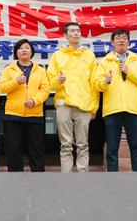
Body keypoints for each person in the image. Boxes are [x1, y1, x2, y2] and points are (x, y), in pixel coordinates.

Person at [94, 28, 137, 172]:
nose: (122, 40)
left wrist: (128, 71)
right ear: (112, 42)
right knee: (112, 147)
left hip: (133, 108)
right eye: (118, 38)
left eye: (124, 38)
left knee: (136, 146)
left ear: (129, 42)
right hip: (112, 109)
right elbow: (96, 84)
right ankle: (113, 178)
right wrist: (105, 81)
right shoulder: (104, 62)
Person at [46, 21, 98, 172]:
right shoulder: (57, 56)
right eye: (72, 31)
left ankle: (83, 175)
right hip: (64, 105)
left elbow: (94, 84)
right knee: (65, 145)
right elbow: (50, 83)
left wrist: (94, 107)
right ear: (65, 35)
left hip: (84, 105)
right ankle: (66, 176)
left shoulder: (89, 55)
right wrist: (58, 80)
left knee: (83, 144)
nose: (76, 33)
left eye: (78, 31)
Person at [0, 38, 49, 172]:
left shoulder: (40, 70)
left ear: (32, 52)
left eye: (27, 48)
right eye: (20, 48)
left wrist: (35, 101)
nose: (24, 50)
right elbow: (2, 88)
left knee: (36, 148)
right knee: (13, 149)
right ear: (16, 52)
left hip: (35, 114)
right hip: (13, 115)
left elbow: (45, 90)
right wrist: (16, 82)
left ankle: (38, 175)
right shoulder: (9, 69)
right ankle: (15, 176)